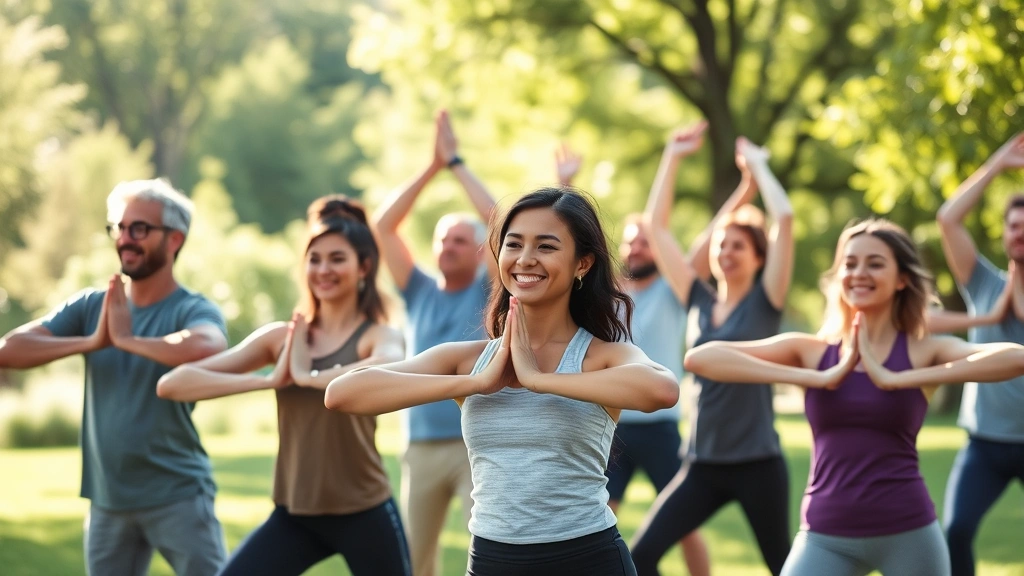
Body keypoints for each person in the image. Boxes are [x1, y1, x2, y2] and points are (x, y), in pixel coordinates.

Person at [326, 188, 680, 576]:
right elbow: (342, 394)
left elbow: (662, 390)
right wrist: (473, 383)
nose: (525, 258)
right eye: (514, 244)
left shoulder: (602, 356)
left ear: (583, 263)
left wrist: (540, 380)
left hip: (590, 560)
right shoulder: (468, 360)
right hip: (492, 562)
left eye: (546, 246)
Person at [682, 218, 1024, 575]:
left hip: (908, 531)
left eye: (875, 264)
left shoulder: (924, 350)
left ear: (902, 279)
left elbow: (1016, 358)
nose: (859, 273)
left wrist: (900, 378)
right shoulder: (813, 351)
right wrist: (816, 377)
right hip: (825, 534)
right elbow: (701, 358)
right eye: (850, 264)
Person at [157, 196, 411, 575]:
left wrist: (310, 378)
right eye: (314, 259)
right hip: (295, 513)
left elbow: (387, 365)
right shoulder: (282, 339)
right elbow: (172, 384)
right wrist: (268, 381)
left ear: (364, 267)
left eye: (337, 259)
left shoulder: (378, 335)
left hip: (364, 511)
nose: (323, 269)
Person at [0, 179, 229, 576]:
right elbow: (9, 350)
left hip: (177, 496)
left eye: (139, 228)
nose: (125, 239)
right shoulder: (93, 306)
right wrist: (92, 341)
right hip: (107, 502)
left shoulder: (192, 309)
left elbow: (209, 345)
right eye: (119, 228)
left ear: (174, 239)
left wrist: (128, 341)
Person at [629, 124, 795, 575]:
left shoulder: (767, 301)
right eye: (722, 244)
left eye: (738, 246)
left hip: (759, 463)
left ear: (759, 258)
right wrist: (672, 156)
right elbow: (657, 227)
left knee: (783, 565)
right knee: (641, 556)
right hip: (702, 464)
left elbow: (784, 220)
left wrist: (758, 168)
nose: (726, 252)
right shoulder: (697, 299)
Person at [555, 145, 710, 576]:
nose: (636, 248)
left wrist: (676, 159)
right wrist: (565, 185)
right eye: (630, 242)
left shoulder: (674, 291)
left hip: (660, 425)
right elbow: (569, 243)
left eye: (645, 242)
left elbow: (701, 238)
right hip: (614, 424)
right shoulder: (608, 295)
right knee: (600, 515)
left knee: (684, 524)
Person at [372, 110, 497, 576]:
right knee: (415, 560)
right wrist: (431, 166)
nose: (448, 246)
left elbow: (502, 221)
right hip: (421, 445)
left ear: (481, 252)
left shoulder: (489, 289)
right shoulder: (418, 289)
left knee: (488, 553)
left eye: (460, 240)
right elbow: (383, 227)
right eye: (443, 239)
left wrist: (456, 164)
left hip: (475, 440)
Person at [935, 131, 1024, 576]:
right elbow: (947, 219)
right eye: (1014, 225)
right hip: (984, 443)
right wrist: (996, 166)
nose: (1020, 232)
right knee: (956, 532)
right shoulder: (983, 284)